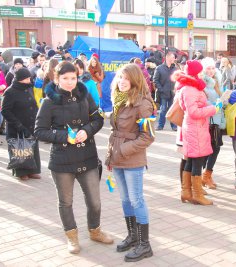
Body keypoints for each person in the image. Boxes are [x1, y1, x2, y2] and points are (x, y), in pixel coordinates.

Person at [34, 62, 112, 254]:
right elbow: (39, 131)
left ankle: (95, 230)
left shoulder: (84, 96)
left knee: (95, 201)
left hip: (87, 156)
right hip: (62, 160)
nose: (70, 82)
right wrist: (63, 137)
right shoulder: (49, 102)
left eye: (73, 78)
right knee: (66, 202)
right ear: (56, 78)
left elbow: (98, 119)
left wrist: (87, 130)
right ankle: (72, 237)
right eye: (65, 78)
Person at [105, 64, 155, 262]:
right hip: (117, 157)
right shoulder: (119, 100)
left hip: (131, 158)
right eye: (119, 78)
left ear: (135, 80)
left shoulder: (143, 103)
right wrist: (112, 155)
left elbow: (148, 137)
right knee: (125, 200)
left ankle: (145, 244)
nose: (122, 82)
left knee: (137, 200)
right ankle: (133, 236)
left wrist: (124, 150)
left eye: (126, 78)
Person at [175, 60, 218, 205]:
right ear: (196, 73)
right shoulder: (190, 89)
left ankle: (186, 192)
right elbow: (193, 112)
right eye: (200, 71)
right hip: (195, 128)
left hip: (195, 127)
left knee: (192, 160)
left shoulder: (189, 87)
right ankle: (197, 194)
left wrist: (209, 105)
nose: (202, 73)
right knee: (197, 161)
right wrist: (213, 109)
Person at [1, 68, 41, 180]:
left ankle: (33, 170)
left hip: (31, 124)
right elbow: (5, 111)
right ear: (20, 79)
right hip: (17, 127)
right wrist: (18, 125)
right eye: (27, 78)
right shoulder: (10, 92)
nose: (30, 79)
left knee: (32, 147)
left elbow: (34, 104)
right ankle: (21, 171)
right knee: (19, 149)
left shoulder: (29, 88)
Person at [201, 57, 225, 189]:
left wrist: (224, 100)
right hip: (208, 121)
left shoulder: (216, 82)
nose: (211, 71)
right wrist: (216, 105)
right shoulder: (202, 83)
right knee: (209, 149)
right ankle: (205, 175)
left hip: (216, 121)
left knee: (215, 148)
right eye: (208, 68)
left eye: (212, 68)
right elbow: (203, 101)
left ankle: (207, 174)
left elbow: (218, 99)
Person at [153, 52, 177, 131]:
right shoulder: (159, 68)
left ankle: (173, 126)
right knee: (163, 110)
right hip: (163, 93)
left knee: (172, 110)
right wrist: (161, 89)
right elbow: (155, 80)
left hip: (172, 93)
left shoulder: (175, 68)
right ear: (168, 58)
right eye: (173, 57)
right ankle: (160, 125)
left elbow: (178, 80)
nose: (174, 59)